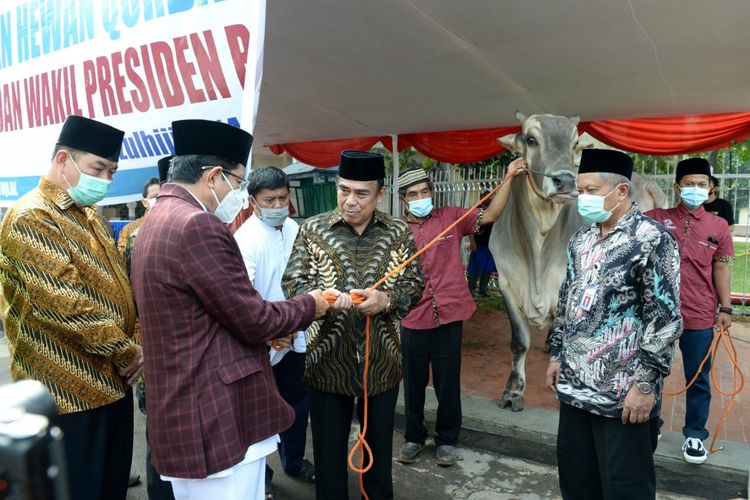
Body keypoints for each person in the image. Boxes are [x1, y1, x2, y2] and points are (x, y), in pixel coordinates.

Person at [130, 119, 330, 500]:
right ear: (214, 176)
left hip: (181, 406)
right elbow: (253, 319)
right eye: (239, 184)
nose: (238, 194)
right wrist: (312, 305)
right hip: (214, 413)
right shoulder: (197, 225)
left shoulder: (157, 218)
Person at [0, 115, 143, 500]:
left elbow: (121, 288)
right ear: (63, 158)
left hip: (112, 384)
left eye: (112, 171)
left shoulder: (90, 217)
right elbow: (68, 308)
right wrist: (130, 352)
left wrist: (133, 343)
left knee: (110, 488)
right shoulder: (33, 216)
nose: (106, 180)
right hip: (68, 394)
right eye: (99, 168)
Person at [283, 150, 424, 500]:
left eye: (361, 193)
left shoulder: (398, 232)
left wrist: (386, 300)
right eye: (343, 190)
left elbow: (415, 285)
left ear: (379, 194)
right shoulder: (313, 230)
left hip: (382, 364)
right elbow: (292, 284)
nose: (350, 201)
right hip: (327, 364)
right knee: (329, 459)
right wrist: (321, 297)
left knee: (378, 457)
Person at [546, 149, 682, 500]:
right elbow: (568, 300)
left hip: (623, 397)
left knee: (625, 489)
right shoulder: (581, 239)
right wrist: (557, 354)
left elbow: (664, 320)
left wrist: (645, 386)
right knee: (577, 483)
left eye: (591, 189)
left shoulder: (653, 240)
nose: (582, 197)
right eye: (581, 189)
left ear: (621, 191)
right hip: (575, 389)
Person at [396, 159, 525, 466]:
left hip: (449, 315)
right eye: (412, 194)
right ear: (403, 199)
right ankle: (414, 437)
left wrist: (507, 178)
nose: (420, 198)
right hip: (413, 317)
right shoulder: (396, 231)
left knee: (447, 383)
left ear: (432, 193)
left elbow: (491, 214)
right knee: (413, 384)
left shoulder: (452, 218)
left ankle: (447, 439)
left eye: (424, 191)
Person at [233, 166, 316, 499]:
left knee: (297, 405)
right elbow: (243, 296)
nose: (279, 204)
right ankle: (261, 475)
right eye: (271, 199)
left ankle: (294, 460)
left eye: (283, 197)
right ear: (254, 201)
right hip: (263, 343)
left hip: (297, 339)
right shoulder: (245, 239)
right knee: (261, 413)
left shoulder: (297, 229)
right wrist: (267, 333)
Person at [646, 157, 734, 465]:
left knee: (698, 377)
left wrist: (725, 307)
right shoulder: (654, 218)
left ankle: (695, 435)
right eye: (688, 184)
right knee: (651, 372)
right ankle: (649, 425)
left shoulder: (718, 226)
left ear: (710, 188)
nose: (694, 189)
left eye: (701, 184)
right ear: (677, 187)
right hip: (658, 315)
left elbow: (721, 268)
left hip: (699, 315)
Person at [122, 155, 175, 500]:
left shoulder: (201, 223)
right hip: (152, 346)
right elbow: (128, 293)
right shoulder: (133, 235)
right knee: (159, 427)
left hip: (181, 349)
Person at [117, 176, 161, 254]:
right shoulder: (129, 230)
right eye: (155, 197)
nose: (161, 200)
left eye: (163, 196)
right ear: (145, 202)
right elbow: (122, 260)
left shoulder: (176, 226)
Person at [466, 191, 497, 297]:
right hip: (478, 244)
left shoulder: (493, 210)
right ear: (482, 198)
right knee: (474, 268)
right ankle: (471, 290)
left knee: (487, 268)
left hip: (490, 244)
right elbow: (470, 226)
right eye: (486, 196)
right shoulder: (476, 210)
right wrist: (472, 241)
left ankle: (483, 290)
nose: (489, 198)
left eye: (491, 196)